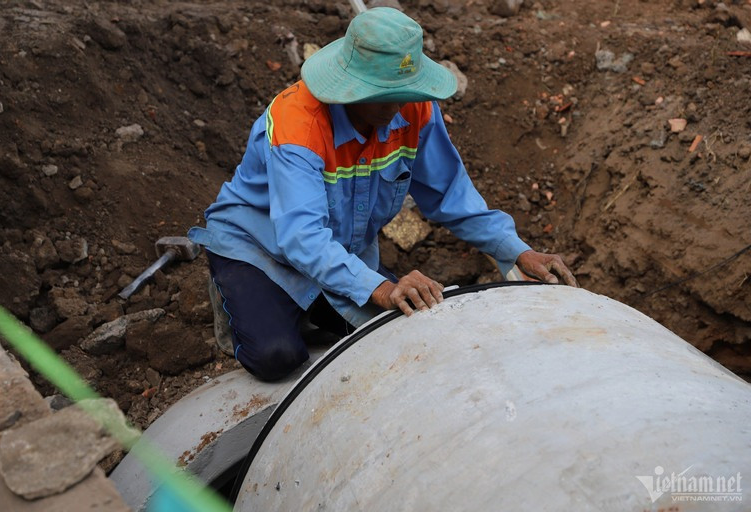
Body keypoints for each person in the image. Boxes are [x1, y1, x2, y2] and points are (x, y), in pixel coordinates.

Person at [188, 7, 577, 381]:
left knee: (403, 335)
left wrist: (516, 250)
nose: (399, 106)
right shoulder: (298, 126)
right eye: (387, 95)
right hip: (256, 246)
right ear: (352, 86)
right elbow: (301, 236)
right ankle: (245, 303)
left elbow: (450, 195)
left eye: (407, 93)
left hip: (341, 250)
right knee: (277, 357)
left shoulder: (414, 110)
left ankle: (308, 310)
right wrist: (383, 288)